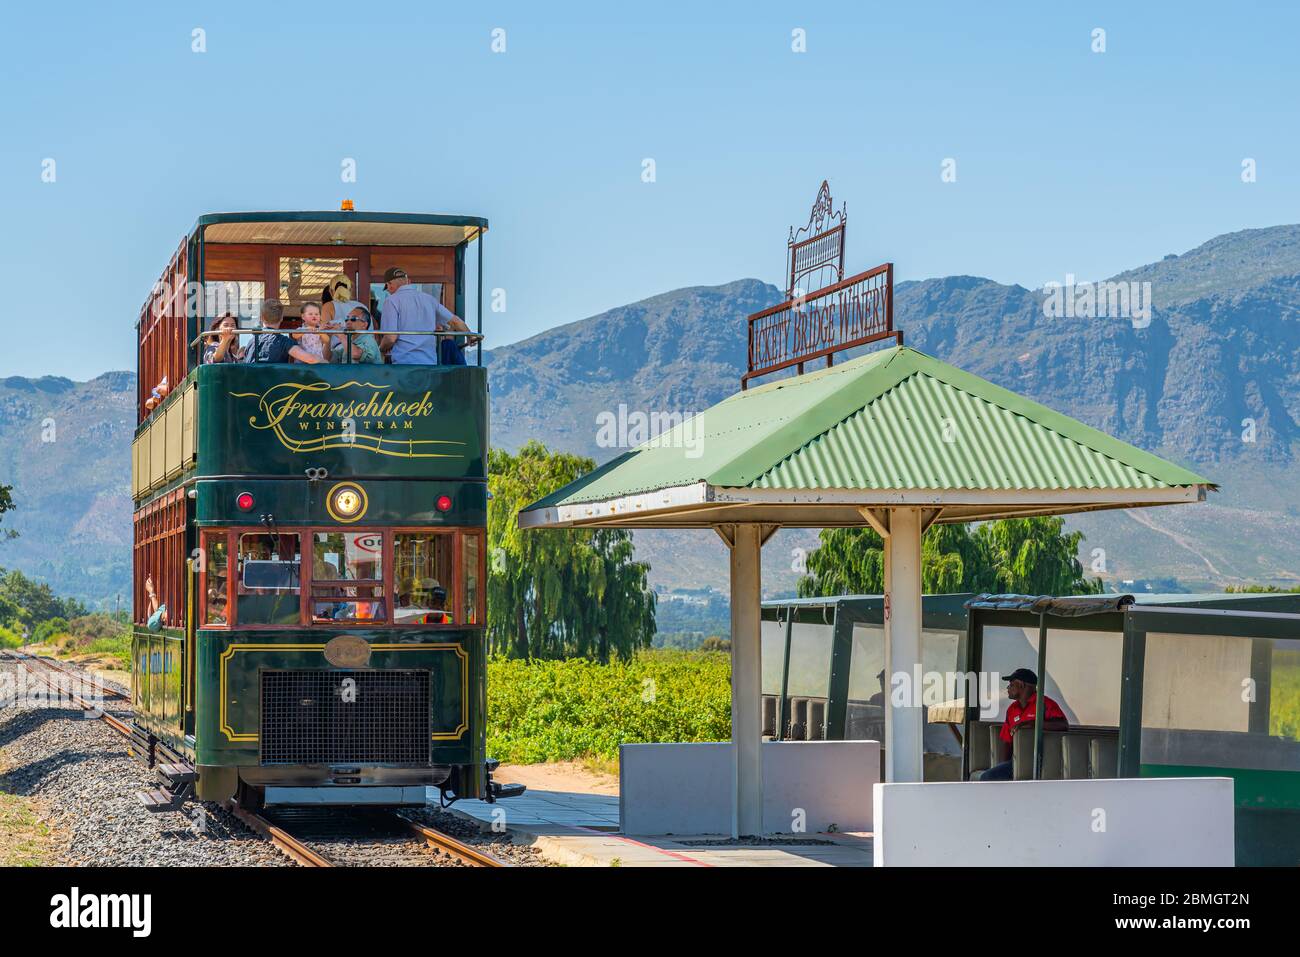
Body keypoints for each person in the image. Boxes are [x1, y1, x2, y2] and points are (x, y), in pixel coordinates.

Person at [977, 668, 1068, 781]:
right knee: (991, 776)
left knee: (987, 777)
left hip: (1041, 760)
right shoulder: (1012, 709)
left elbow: (1063, 725)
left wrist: (1033, 724)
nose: (1008, 688)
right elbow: (1007, 741)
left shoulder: (1044, 704)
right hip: (1017, 761)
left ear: (1021, 685)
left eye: (1011, 684)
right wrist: (1001, 766)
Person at [377, 267, 480, 364]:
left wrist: (380, 350)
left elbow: (390, 338)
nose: (389, 291)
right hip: (430, 364)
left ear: (389, 284)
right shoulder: (429, 299)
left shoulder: (391, 301)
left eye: (387, 288)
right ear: (408, 281)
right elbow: (455, 321)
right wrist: (470, 335)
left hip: (404, 364)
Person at [243, 299, 323, 364]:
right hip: (273, 383)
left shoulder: (251, 342)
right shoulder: (284, 341)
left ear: (261, 318)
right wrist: (325, 361)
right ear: (282, 318)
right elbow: (310, 359)